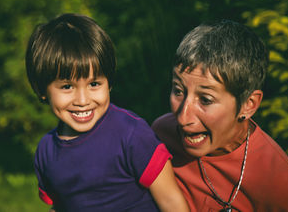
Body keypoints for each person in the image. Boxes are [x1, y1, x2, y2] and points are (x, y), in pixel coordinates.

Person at [25, 13, 189, 212]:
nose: (83, 101)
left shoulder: (132, 134)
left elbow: (172, 202)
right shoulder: (46, 152)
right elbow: (60, 207)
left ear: (109, 83)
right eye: (67, 87)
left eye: (94, 84)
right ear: (42, 90)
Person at [152, 19, 288, 212]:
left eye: (205, 100)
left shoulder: (278, 182)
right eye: (178, 91)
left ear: (248, 105)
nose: (182, 118)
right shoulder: (161, 135)